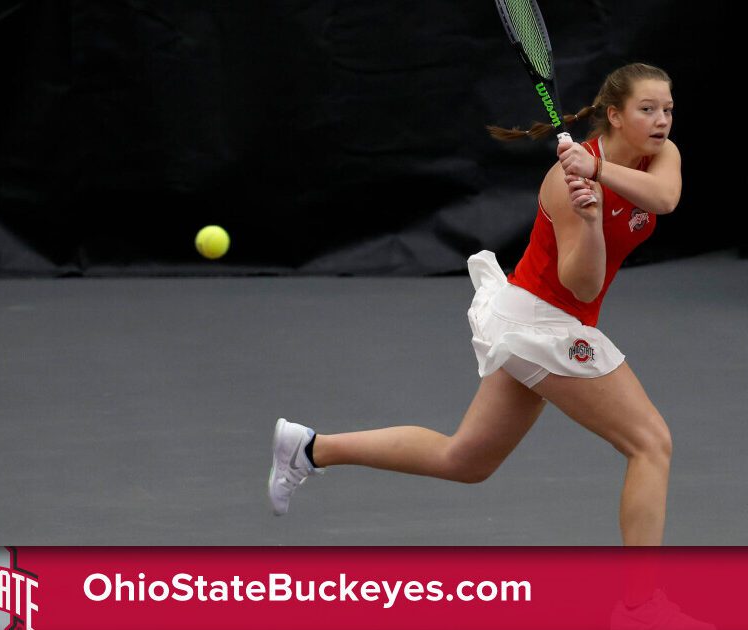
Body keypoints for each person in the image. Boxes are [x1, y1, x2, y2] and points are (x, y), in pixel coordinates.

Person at [268, 63, 682, 548]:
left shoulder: (657, 156)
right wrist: (590, 222)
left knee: (465, 460)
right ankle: (639, 609)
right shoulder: (563, 185)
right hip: (541, 323)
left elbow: (666, 199)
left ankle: (309, 449)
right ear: (614, 115)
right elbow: (583, 287)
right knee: (650, 444)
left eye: (668, 110)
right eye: (647, 109)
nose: (662, 121)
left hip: (543, 318)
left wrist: (599, 172)